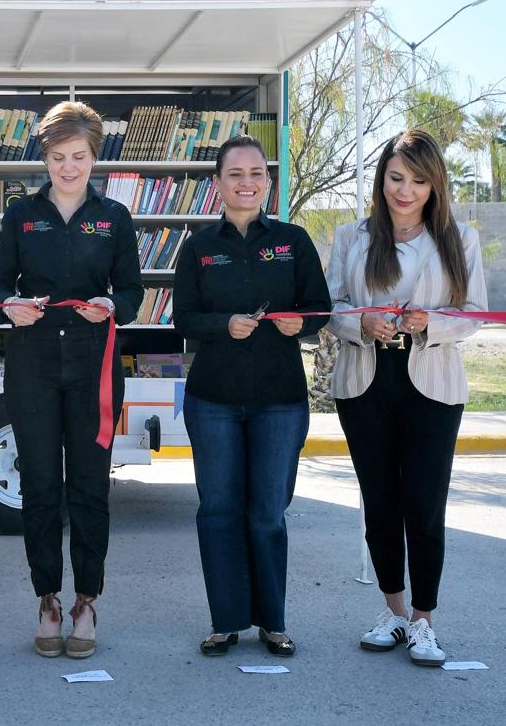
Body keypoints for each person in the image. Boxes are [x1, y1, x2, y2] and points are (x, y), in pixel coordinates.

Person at [0, 100, 143, 659]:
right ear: (44, 157)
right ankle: (47, 599)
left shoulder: (115, 218)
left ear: (94, 157)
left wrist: (111, 303)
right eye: (57, 157)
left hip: (94, 365)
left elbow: (132, 290)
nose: (68, 168)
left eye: (78, 157)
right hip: (32, 364)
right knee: (42, 486)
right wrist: (10, 306)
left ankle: (86, 601)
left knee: (90, 488)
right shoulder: (21, 214)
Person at [326, 129, 487, 667]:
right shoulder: (352, 236)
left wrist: (430, 322)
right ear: (382, 179)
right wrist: (361, 322)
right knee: (380, 505)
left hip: (433, 384)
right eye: (396, 178)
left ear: (434, 185)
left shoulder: (459, 238)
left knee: (424, 505)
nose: (405, 190)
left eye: (418, 181)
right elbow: (332, 306)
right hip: (365, 381)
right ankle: (393, 612)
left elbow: (474, 314)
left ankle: (424, 621)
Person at [172, 134, 330, 658]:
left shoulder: (293, 240)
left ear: (269, 181)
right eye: (235, 174)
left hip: (280, 400)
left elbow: (320, 310)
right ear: (217, 184)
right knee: (218, 509)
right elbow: (184, 319)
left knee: (268, 511)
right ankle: (225, 623)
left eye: (256, 173)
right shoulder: (198, 247)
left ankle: (272, 622)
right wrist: (224, 325)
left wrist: (297, 326)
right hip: (213, 399)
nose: (247, 182)